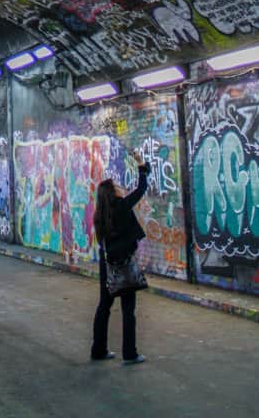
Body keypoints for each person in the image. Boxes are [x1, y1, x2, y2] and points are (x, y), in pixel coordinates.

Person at [91, 150, 151, 365]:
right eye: (117, 186)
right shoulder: (123, 206)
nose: (120, 186)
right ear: (113, 192)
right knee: (128, 311)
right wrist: (141, 165)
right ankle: (130, 353)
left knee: (104, 306)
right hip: (125, 263)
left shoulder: (99, 215)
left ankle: (98, 349)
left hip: (107, 264)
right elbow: (142, 188)